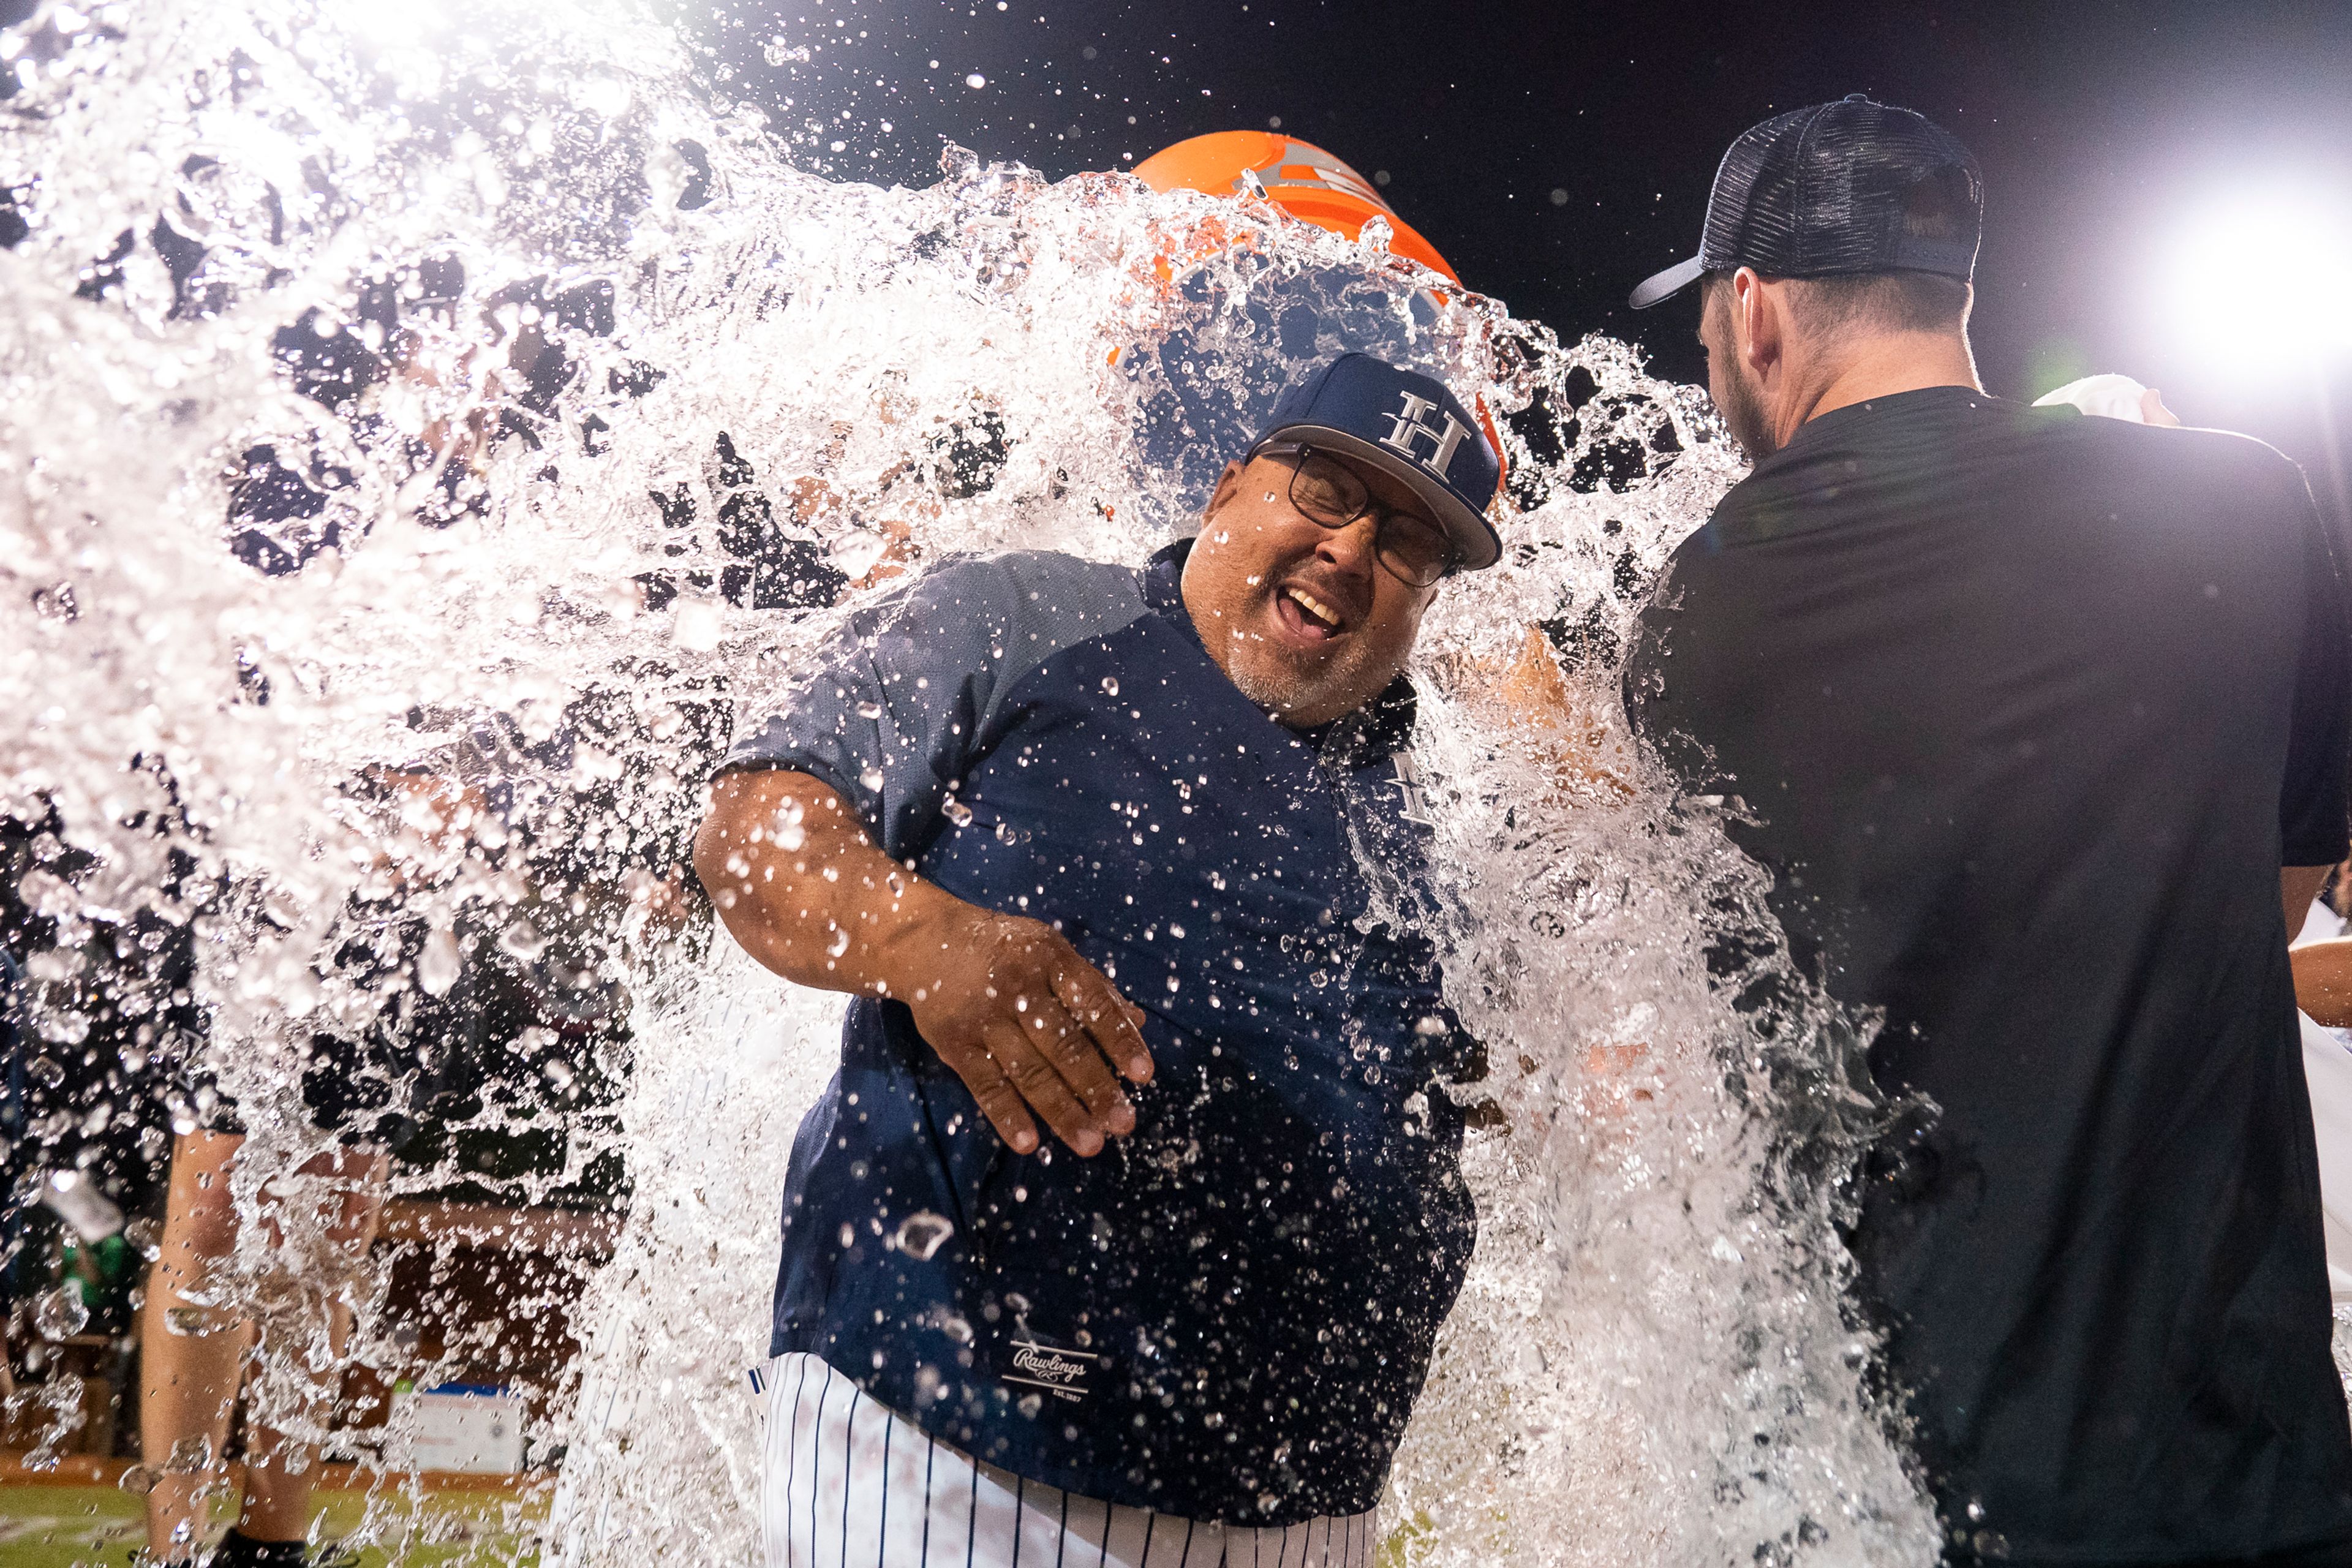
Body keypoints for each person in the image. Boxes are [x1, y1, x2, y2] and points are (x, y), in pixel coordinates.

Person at [1621, 96, 2352, 1566]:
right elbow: (2267, 905)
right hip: (2231, 1474)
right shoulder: (2246, 509)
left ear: (1754, 311)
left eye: (1706, 326)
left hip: (1870, 1494)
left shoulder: (1688, 625)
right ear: (1955, 286)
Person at [695, 351, 1501, 1566]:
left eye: (1403, 547)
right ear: (1229, 486)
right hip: (945, 1440)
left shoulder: (1460, 790)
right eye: (1328, 493)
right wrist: (931, 943)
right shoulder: (1027, 615)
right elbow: (754, 835)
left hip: (1305, 1497)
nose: (1349, 551)